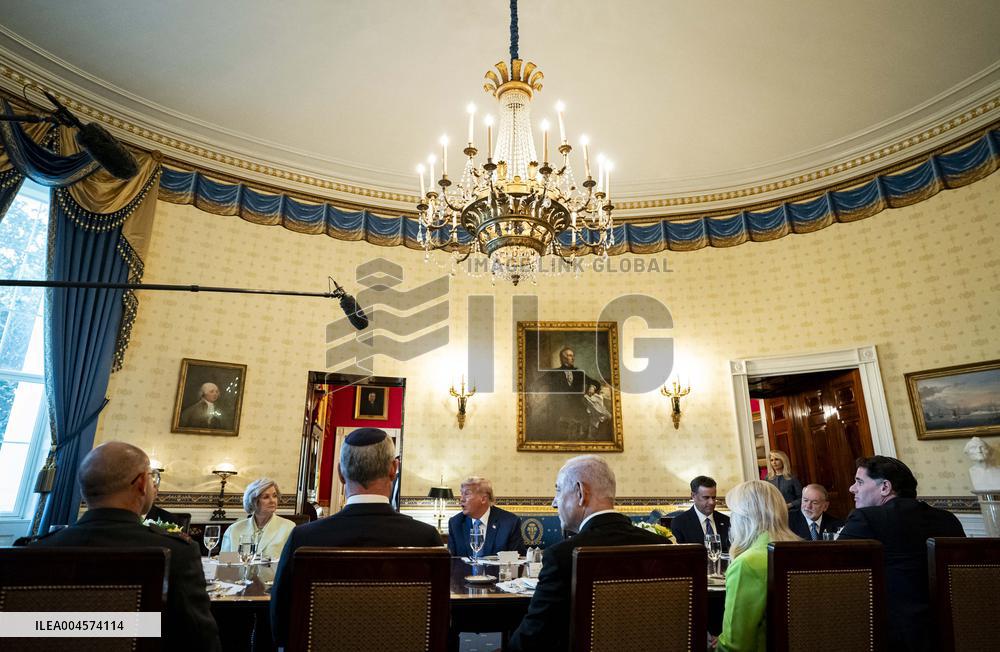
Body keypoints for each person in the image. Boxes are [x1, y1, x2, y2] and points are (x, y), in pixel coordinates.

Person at [32, 442, 220, 650]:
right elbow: (200, 641)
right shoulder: (176, 552)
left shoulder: (35, 550)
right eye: (151, 477)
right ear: (141, 483)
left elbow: (20, 631)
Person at [270, 428, 441, 647]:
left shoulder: (304, 538)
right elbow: (439, 625)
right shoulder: (425, 538)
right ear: (393, 469)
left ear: (340, 473)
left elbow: (281, 627)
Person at [508, 455, 667, 652]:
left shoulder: (563, 556)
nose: (554, 503)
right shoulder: (662, 546)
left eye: (558, 490)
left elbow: (531, 641)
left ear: (581, 492)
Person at [838, 455, 966, 652]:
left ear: (885, 488)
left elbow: (833, 576)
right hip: (955, 631)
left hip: (888, 636)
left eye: (859, 482)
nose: (852, 488)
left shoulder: (866, 519)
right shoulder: (948, 519)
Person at [712, 480, 799, 651]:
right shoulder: (801, 552)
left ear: (744, 518)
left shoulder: (747, 564)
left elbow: (735, 646)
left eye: (733, 513)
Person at [447, 476, 526, 557]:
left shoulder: (509, 522)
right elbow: (451, 561)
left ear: (483, 499)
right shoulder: (455, 523)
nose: (461, 499)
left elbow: (517, 560)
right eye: (461, 494)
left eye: (467, 494)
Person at [220, 477, 296, 561]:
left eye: (274, 496)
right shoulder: (234, 530)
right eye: (266, 497)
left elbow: (291, 565)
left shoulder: (289, 528)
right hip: (239, 574)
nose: (272, 501)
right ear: (254, 501)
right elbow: (225, 566)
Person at [671, 475, 731, 550]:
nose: (711, 502)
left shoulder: (727, 521)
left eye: (713, 497)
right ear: (693, 496)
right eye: (706, 497)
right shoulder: (680, 523)